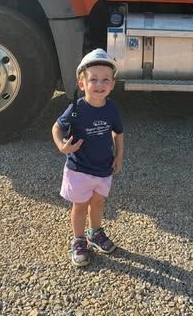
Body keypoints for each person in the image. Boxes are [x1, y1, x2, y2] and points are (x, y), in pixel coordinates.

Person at [51, 48, 124, 267]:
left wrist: (119, 156)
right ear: (82, 84)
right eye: (93, 80)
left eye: (105, 80)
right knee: (80, 205)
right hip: (79, 169)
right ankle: (79, 239)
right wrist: (62, 146)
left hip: (103, 168)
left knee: (98, 202)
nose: (99, 85)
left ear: (112, 84)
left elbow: (118, 133)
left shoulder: (112, 108)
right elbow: (56, 128)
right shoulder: (76, 108)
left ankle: (95, 232)